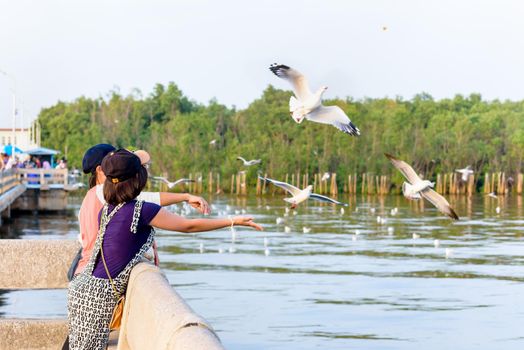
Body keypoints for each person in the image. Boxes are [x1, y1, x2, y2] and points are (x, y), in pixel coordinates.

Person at [67, 149, 262, 349]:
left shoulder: (108, 209)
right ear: (138, 181)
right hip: (98, 295)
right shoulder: (141, 210)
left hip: (82, 287)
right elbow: (188, 226)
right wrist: (233, 221)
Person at [72, 143, 210, 278]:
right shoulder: (104, 193)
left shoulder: (90, 196)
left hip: (86, 272)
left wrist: (185, 197)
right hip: (99, 275)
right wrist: (185, 197)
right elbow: (149, 199)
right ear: (100, 170)